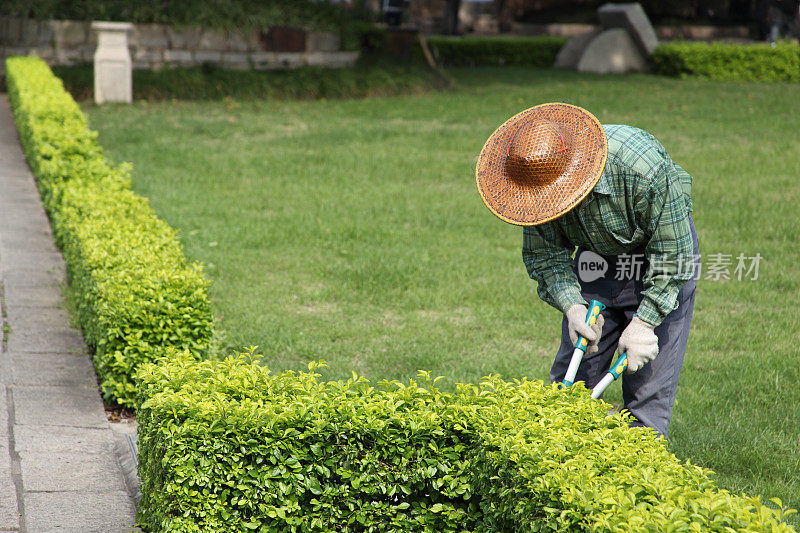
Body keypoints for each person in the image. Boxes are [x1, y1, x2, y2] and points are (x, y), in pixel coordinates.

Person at [475, 103, 697, 438]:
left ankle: (638, 469)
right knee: (572, 382)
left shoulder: (640, 169)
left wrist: (644, 323)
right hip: (596, 258)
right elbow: (545, 254)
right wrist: (573, 307)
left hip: (660, 252)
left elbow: (674, 255)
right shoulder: (535, 181)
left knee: (646, 389)